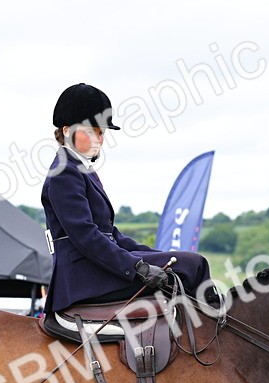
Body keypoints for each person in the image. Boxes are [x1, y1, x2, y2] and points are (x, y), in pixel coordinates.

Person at [41, 83, 213, 316]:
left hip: (100, 264)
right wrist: (137, 267)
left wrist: (155, 255)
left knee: (187, 263)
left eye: (101, 133)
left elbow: (113, 234)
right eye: (91, 131)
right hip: (82, 276)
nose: (99, 139)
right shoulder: (64, 173)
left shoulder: (83, 171)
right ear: (67, 130)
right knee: (193, 265)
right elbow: (86, 237)